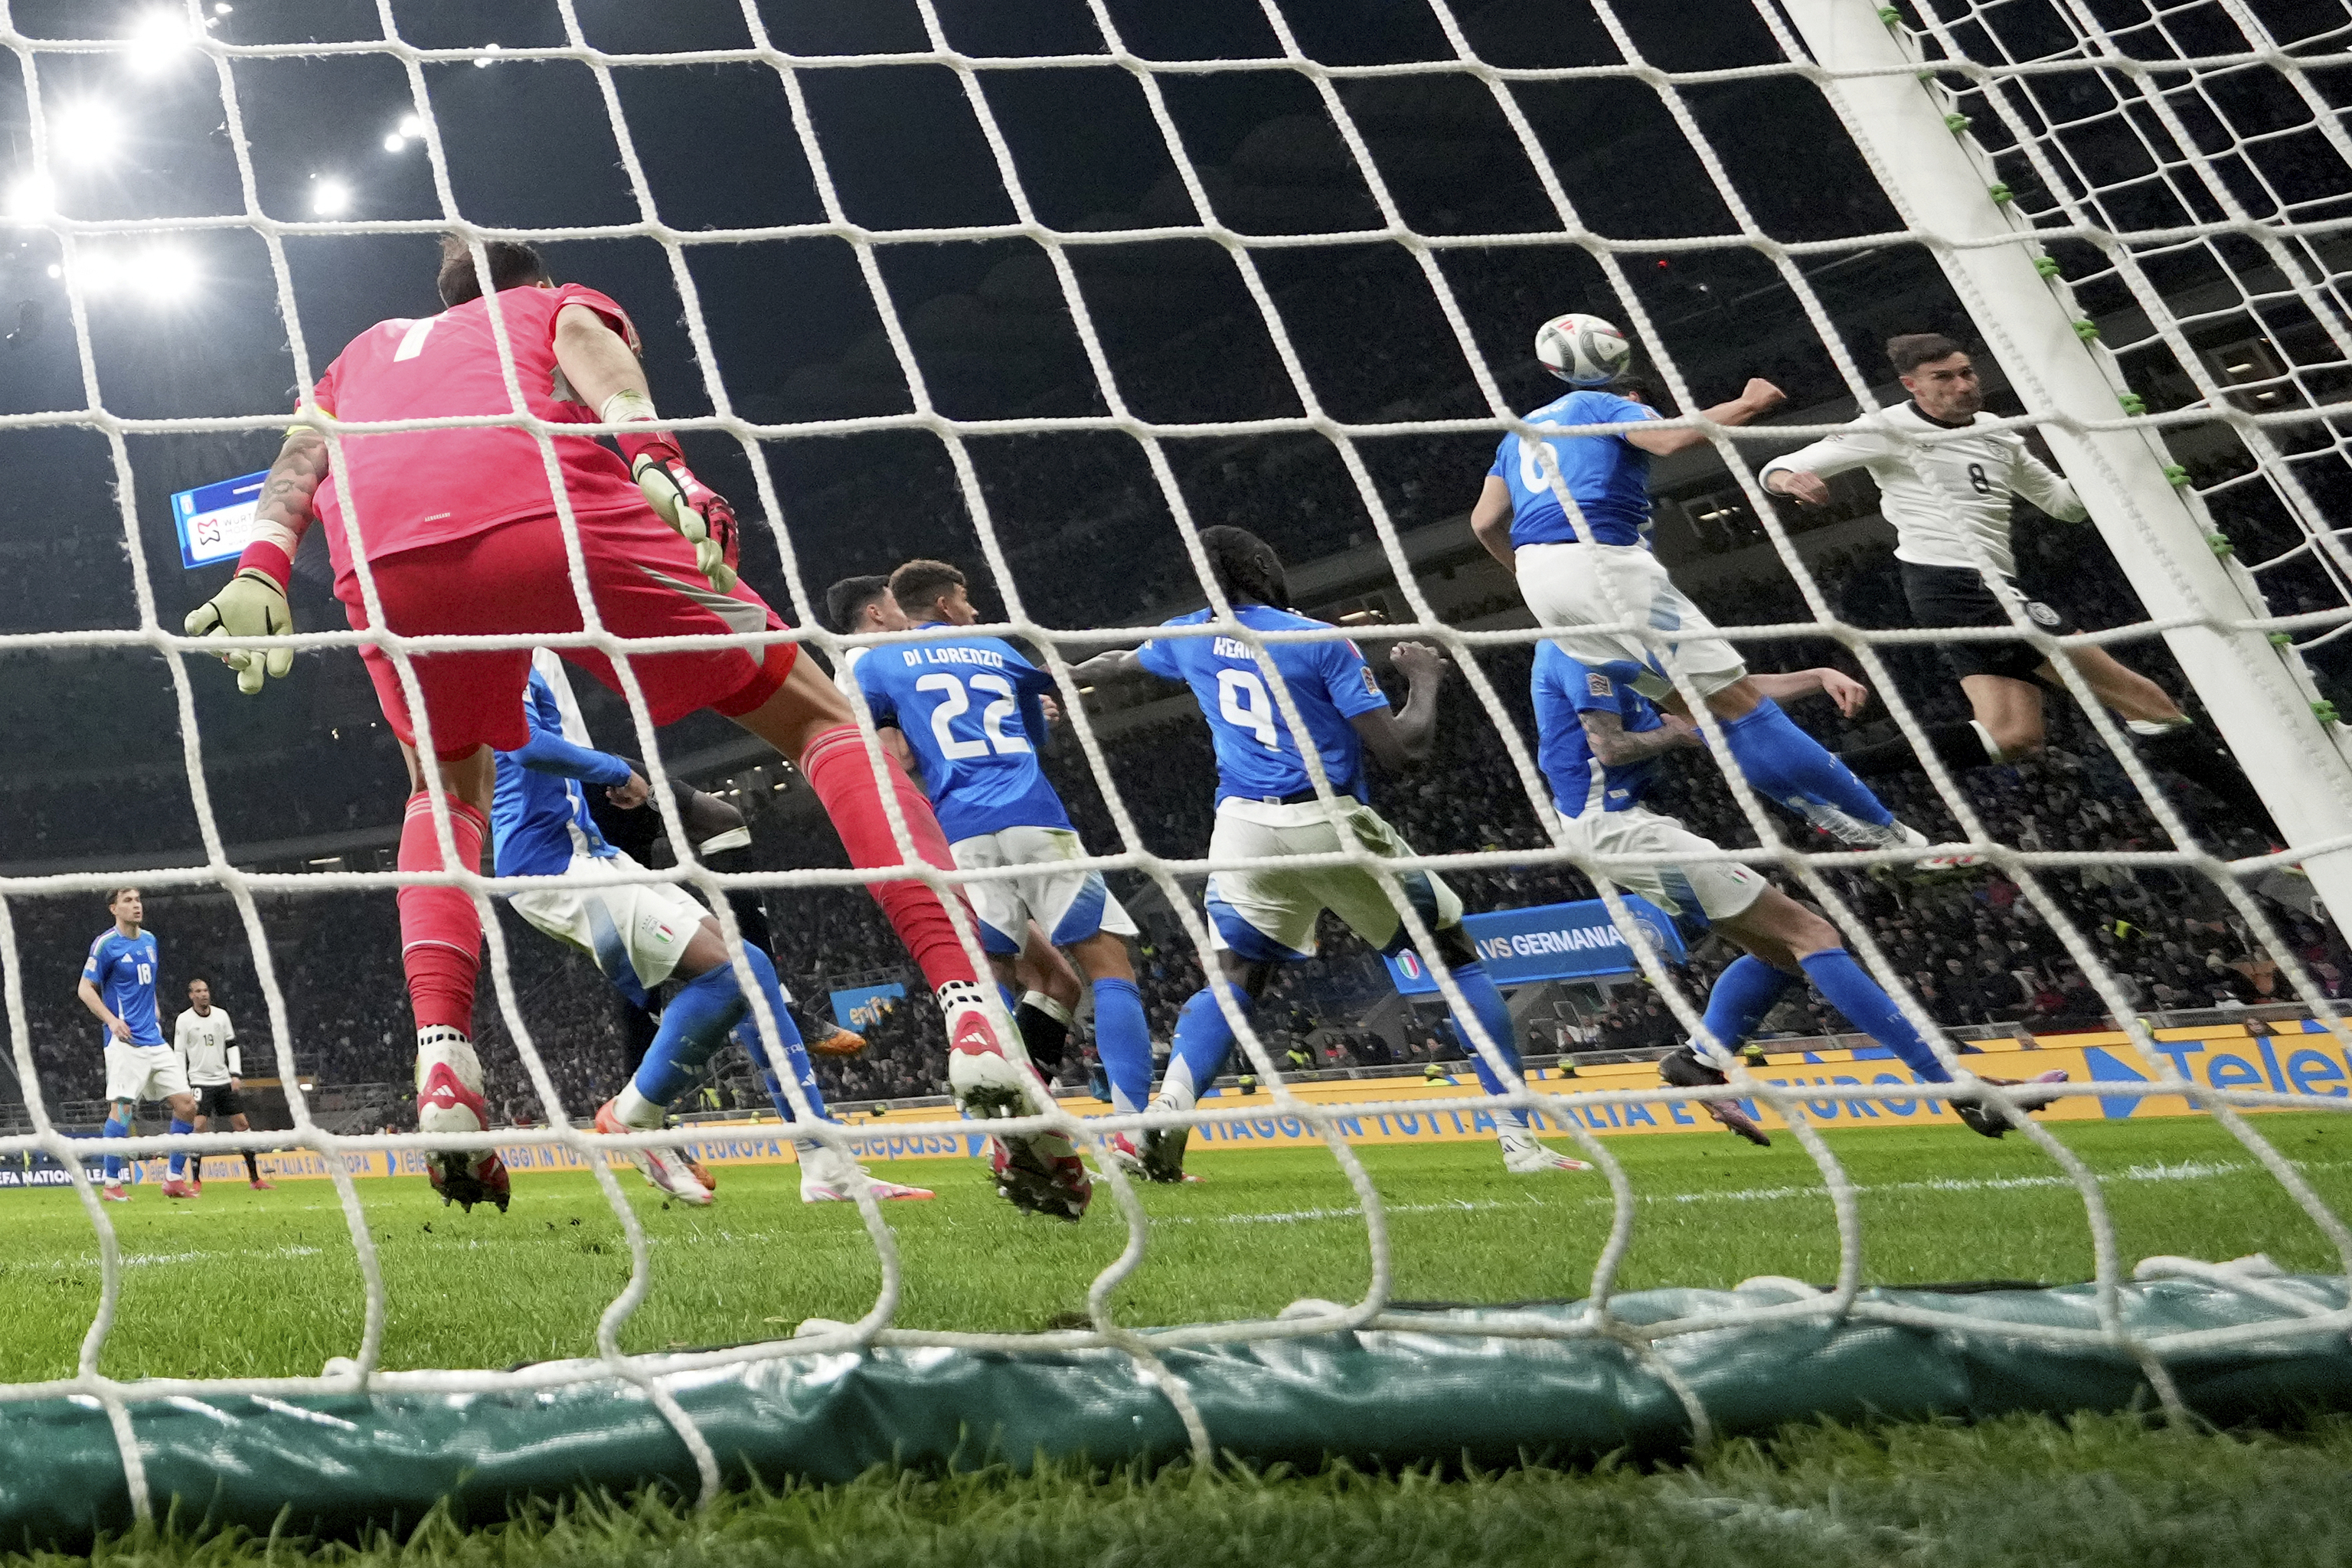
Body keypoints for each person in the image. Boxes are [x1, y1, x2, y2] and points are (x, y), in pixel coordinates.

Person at [183, 236, 1031, 1215]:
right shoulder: (548, 305)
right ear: (535, 281)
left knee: (439, 794)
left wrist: (260, 565)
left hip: (384, 565)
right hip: (545, 516)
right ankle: (969, 1004)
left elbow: (300, 457)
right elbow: (591, 349)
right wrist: (659, 460)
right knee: (821, 720)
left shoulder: (362, 352)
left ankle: (446, 1056)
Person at [1073, 526, 1592, 1181]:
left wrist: (1055, 674)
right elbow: (1402, 751)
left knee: (1234, 977)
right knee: (1454, 958)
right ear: (1259, 563)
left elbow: (1117, 664)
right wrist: (1423, 679)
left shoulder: (1188, 634)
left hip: (1240, 827)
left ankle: (1167, 1111)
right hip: (1324, 815)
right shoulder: (1314, 638)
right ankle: (1520, 1143)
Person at [1530, 639, 2065, 1140]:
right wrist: (1679, 733)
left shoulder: (1615, 642)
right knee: (1812, 935)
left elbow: (1725, 692)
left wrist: (1816, 676)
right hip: (1617, 828)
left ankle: (1698, 1061)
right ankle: (1959, 1088)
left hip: (1621, 825)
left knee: (1785, 953)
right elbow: (1610, 747)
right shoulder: (1577, 648)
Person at [1468, 342, 1969, 874]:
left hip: (1542, 584)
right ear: (1634, 399)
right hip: (1602, 564)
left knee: (1703, 713)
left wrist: (1530, 573)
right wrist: (1749, 403)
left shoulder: (1517, 435)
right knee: (1743, 707)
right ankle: (1898, 838)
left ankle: (1840, 822)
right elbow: (1670, 438)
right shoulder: (1603, 404)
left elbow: (1483, 523)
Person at [1759, 333, 2269, 834]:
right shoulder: (1885, 428)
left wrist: (2116, 459)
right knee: (2148, 702)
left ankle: (1821, 769)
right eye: (1943, 378)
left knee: (2012, 737)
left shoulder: (1997, 432)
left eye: (1966, 373)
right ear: (1912, 385)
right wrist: (1791, 481)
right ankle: (2281, 830)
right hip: (1958, 585)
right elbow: (1777, 468)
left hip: (1978, 588)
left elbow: (2064, 506)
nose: (1962, 385)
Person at [490, 660, 931, 1206]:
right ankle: (634, 1115)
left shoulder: (531, 653)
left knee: (753, 968)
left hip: (592, 853)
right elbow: (525, 744)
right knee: (727, 977)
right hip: (550, 867)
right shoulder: (500, 655)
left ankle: (824, 1163)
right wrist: (615, 770)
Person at [854, 557, 1152, 1185]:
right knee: (1107, 967)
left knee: (984, 989)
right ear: (943, 603)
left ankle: (1000, 1142)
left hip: (959, 835)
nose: (974, 610)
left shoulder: (877, 663)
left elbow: (891, 757)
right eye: (966, 599)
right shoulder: (997, 650)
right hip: (1036, 819)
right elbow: (1037, 734)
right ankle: (1133, 1134)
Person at [826, 572, 1089, 1079]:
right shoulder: (867, 661)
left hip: (945, 832)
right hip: (942, 836)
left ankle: (1021, 1101)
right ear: (876, 613)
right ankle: (993, 1099)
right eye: (895, 605)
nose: (906, 616)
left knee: (1057, 983)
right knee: (1002, 977)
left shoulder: (868, 664)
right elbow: (897, 757)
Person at [77, 889, 198, 1201]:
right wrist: (111, 1020)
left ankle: (173, 1180)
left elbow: (148, 982)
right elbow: (85, 989)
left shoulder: (150, 940)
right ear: (114, 908)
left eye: (138, 900)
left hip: (154, 1039)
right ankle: (111, 1184)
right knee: (122, 1110)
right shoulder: (106, 944)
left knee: (187, 1106)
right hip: (125, 1041)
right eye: (128, 901)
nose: (136, 906)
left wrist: (154, 1007)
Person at [172, 978, 274, 1191]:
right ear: (191, 995)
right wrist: (182, 1083)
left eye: (205, 990)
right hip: (199, 1081)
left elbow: (232, 1045)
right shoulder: (184, 1020)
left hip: (223, 1080)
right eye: (198, 991)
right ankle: (196, 1181)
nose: (203, 994)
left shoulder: (221, 1015)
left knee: (242, 1125)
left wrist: (235, 1073)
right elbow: (179, 1053)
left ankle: (255, 1179)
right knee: (199, 1127)